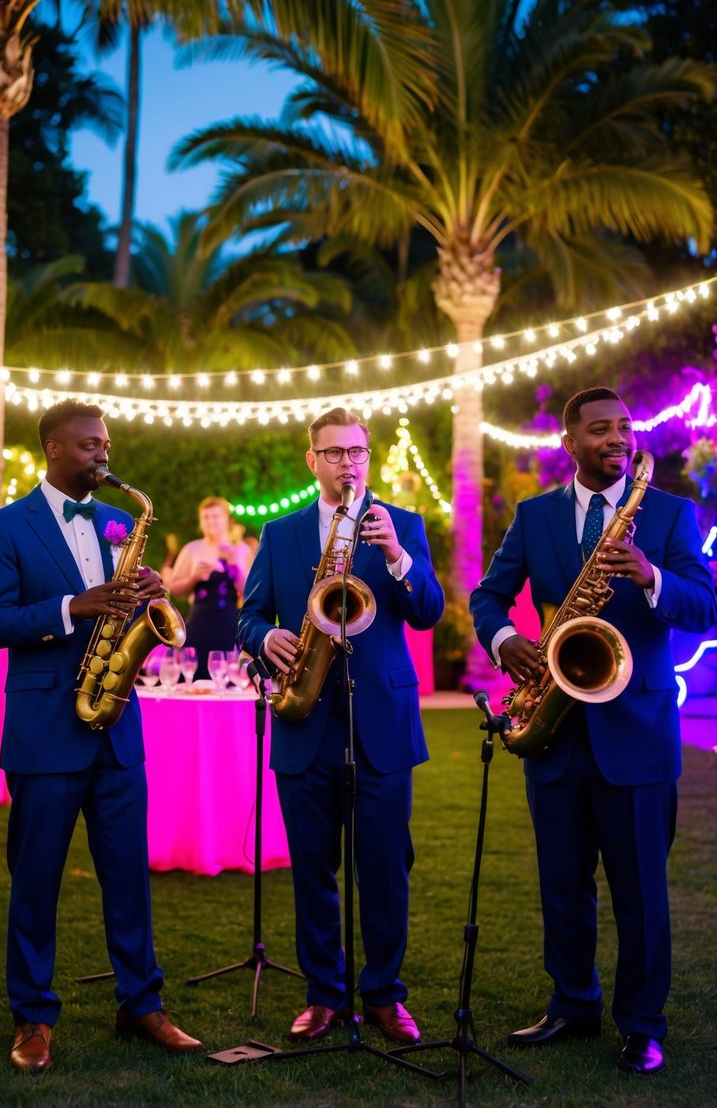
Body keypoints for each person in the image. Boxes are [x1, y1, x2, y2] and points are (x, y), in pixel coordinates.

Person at [470, 387, 717, 1077]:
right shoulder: (535, 515)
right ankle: (572, 1003)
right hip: (554, 730)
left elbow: (703, 605)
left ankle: (641, 1023)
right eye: (600, 430)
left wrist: (649, 576)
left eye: (624, 429)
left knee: (641, 891)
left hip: (636, 735)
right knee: (561, 884)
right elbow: (488, 595)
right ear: (568, 443)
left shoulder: (669, 514)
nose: (616, 439)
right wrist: (503, 639)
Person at [0, 400, 203, 1073]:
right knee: (36, 881)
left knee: (128, 877)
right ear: (51, 447)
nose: (103, 455)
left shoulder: (116, 522)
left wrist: (151, 596)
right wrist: (76, 606)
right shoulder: (4, 526)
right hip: (46, 732)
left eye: (105, 444)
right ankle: (33, 1018)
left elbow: (136, 611)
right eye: (88, 446)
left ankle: (140, 1002)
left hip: (116, 729)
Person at [237, 406, 444, 1044]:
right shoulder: (281, 533)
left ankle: (383, 994)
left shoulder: (402, 525)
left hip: (380, 722)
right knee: (312, 869)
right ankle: (324, 994)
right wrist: (265, 635)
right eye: (333, 453)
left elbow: (430, 613)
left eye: (356, 451)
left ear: (368, 457)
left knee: (385, 866)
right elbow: (248, 618)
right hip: (307, 722)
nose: (347, 462)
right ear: (313, 461)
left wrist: (399, 557)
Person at [168, 496, 251, 680]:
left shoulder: (241, 549)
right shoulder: (193, 549)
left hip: (230, 623)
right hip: (200, 621)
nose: (210, 521)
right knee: (194, 676)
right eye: (206, 517)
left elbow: (249, 592)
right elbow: (174, 589)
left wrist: (235, 564)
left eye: (216, 516)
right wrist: (194, 577)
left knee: (229, 677)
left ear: (227, 519)